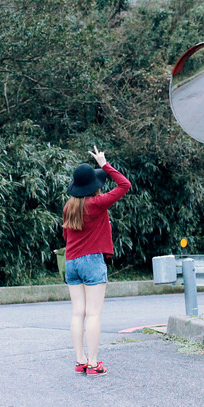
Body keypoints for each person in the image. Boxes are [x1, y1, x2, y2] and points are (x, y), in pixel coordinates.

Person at [62, 146, 131, 376]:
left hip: (71, 261)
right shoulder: (98, 203)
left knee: (77, 313)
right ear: (93, 186)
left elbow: (66, 236)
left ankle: (80, 360)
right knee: (93, 313)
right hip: (91, 262)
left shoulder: (68, 207)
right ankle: (93, 363)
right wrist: (104, 164)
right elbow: (125, 185)